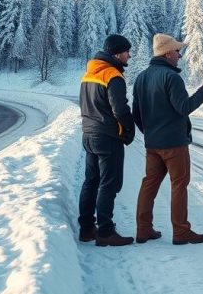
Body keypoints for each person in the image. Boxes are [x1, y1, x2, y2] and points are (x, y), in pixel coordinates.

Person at [132, 33, 203, 245]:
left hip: (153, 143)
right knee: (179, 185)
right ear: (167, 53)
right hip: (174, 144)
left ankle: (143, 229)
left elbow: (136, 112)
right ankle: (181, 231)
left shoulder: (141, 78)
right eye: (177, 51)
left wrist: (149, 132)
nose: (179, 55)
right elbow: (185, 107)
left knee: (149, 184)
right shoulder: (172, 77)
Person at [78, 34, 137, 246]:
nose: (129, 55)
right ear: (117, 53)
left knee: (91, 182)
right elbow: (120, 109)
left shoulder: (88, 75)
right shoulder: (113, 76)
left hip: (89, 135)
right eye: (127, 51)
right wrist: (128, 130)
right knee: (109, 184)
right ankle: (105, 231)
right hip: (108, 137)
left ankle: (86, 228)